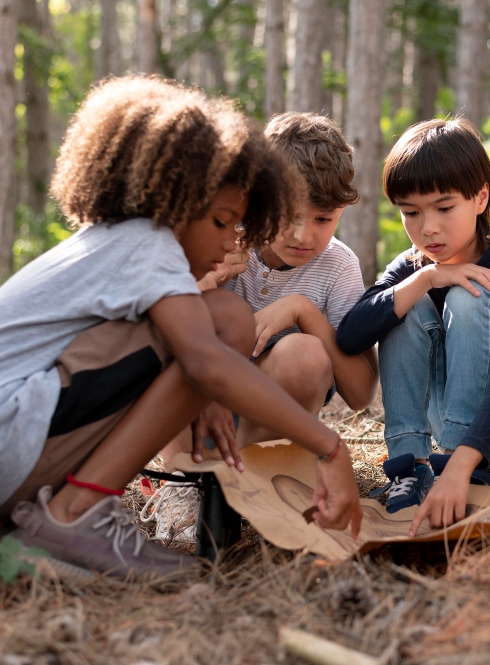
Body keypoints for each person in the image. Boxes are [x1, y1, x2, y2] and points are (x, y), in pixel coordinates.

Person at [0, 77, 362, 580]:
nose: (234, 239)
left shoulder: (120, 242)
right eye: (221, 221)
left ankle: (47, 523)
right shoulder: (150, 246)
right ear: (173, 202)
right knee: (220, 323)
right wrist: (330, 446)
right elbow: (206, 361)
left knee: (222, 319)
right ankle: (73, 515)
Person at [145, 112, 379, 543]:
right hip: (195, 406)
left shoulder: (338, 267)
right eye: (287, 214)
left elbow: (361, 393)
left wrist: (305, 311)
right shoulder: (221, 237)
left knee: (305, 354)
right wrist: (209, 279)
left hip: (267, 418)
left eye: (322, 220)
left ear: (342, 211)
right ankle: (182, 482)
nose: (302, 235)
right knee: (185, 330)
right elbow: (155, 329)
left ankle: (249, 476)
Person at [336, 118, 490, 535]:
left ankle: (454, 462)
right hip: (456, 418)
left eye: (444, 208)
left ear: (481, 197)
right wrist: (426, 278)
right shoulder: (413, 266)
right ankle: (409, 467)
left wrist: (461, 463)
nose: (428, 227)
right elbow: (349, 336)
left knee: (471, 292)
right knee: (402, 303)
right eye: (411, 212)